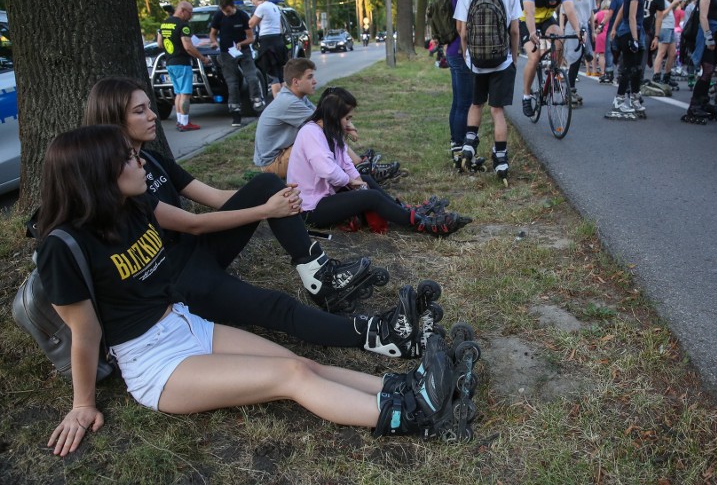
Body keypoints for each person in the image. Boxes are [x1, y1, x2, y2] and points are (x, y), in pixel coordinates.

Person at [38, 125, 459, 457]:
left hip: (186, 325)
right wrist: (82, 404)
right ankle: (415, 415)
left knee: (301, 362)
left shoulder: (136, 205)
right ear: (99, 175)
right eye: (129, 160)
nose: (141, 165)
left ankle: (401, 385)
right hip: (154, 364)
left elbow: (206, 215)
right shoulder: (62, 247)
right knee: (290, 376)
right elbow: (85, 335)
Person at [83, 77, 435, 353]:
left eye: (149, 107)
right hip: (178, 280)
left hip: (198, 250)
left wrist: (274, 197)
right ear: (114, 119)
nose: (152, 116)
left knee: (267, 181)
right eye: (139, 111)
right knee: (277, 307)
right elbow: (192, 222)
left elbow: (217, 198)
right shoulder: (118, 179)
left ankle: (319, 275)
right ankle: (379, 336)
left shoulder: (153, 160)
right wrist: (265, 210)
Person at [288, 87, 472, 235]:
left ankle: (403, 211)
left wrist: (358, 182)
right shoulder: (310, 133)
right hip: (309, 209)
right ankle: (420, 224)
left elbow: (347, 164)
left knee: (366, 179)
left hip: (325, 197)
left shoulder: (330, 132)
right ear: (334, 116)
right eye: (347, 118)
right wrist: (352, 183)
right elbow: (327, 170)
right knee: (370, 196)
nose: (349, 123)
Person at [253, 59, 401, 182]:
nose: (315, 81)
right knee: (326, 133)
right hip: (272, 164)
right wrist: (349, 128)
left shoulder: (297, 97)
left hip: (282, 153)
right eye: (310, 77)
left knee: (325, 133)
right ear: (296, 82)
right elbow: (326, 120)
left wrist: (349, 126)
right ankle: (362, 167)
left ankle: (358, 165)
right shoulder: (289, 103)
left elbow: (322, 113)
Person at [454, 0, 522, 184]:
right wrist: (513, 57)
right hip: (501, 60)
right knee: (497, 111)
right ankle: (501, 158)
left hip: (475, 61)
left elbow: (462, 32)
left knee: (475, 104)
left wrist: (466, 57)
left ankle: (470, 144)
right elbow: (514, 30)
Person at [520, 0, 571, 117]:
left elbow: (570, 10)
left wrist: (579, 31)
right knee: (534, 58)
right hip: (528, 22)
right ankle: (526, 96)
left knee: (559, 35)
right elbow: (529, 12)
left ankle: (555, 69)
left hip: (547, 20)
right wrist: (533, 32)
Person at [605, 0, 656, 120]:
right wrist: (634, 38)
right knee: (628, 68)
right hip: (630, 32)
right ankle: (619, 100)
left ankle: (634, 98)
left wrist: (614, 28)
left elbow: (621, 11)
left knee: (636, 69)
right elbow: (631, 15)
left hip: (634, 32)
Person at [209, 0, 265, 127]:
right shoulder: (218, 16)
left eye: (227, 11)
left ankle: (258, 106)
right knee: (232, 84)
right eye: (223, 11)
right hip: (227, 53)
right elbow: (212, 34)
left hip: (243, 52)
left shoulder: (242, 16)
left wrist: (242, 43)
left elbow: (251, 37)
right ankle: (235, 113)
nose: (226, 14)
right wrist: (214, 42)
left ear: (233, 6)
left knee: (252, 78)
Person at [157, 0, 211, 132]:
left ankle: (180, 121)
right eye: (190, 13)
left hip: (170, 63)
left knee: (178, 94)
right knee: (185, 94)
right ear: (182, 10)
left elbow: (159, 44)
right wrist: (203, 58)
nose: (190, 16)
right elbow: (188, 46)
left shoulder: (164, 24)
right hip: (182, 63)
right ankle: (185, 123)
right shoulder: (183, 26)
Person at [447, 0, 478, 166]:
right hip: (460, 52)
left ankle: (456, 146)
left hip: (455, 51)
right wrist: (467, 53)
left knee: (459, 101)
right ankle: (459, 148)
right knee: (464, 103)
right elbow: (462, 27)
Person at [561, 0, 595, 106]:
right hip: (571, 28)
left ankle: (572, 89)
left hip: (584, 28)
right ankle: (568, 92)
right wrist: (562, 29)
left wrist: (593, 30)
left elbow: (592, 12)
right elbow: (563, 12)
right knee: (572, 59)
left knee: (583, 56)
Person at [248, 0, 286, 99]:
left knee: (272, 76)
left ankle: (278, 103)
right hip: (278, 41)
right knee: (281, 75)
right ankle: (286, 100)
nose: (252, 3)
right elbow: (280, 26)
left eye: (251, 0)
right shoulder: (274, 6)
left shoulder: (261, 7)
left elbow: (251, 24)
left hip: (267, 43)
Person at [651, 0, 685, 90]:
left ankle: (667, 75)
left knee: (673, 53)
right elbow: (660, 15)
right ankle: (656, 76)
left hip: (670, 27)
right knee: (661, 52)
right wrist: (672, 4)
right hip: (664, 27)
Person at [600, 0, 624, 85]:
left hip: (613, 28)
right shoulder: (625, 0)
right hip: (623, 28)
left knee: (609, 50)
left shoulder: (615, 0)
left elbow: (610, 14)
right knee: (621, 51)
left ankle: (609, 72)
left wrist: (601, 25)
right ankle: (621, 73)